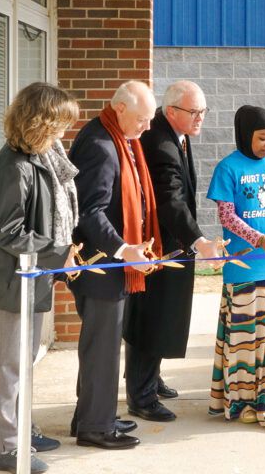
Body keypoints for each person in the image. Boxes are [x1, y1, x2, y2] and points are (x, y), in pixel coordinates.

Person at [0, 82, 79, 474]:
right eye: (61, 122)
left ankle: (22, 430)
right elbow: (8, 231)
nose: (66, 130)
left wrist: (58, 252)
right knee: (9, 365)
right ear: (41, 121)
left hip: (28, 275)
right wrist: (59, 251)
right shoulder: (16, 165)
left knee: (23, 361)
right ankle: (8, 448)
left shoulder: (40, 157)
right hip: (7, 279)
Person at [122, 81, 224, 423]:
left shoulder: (177, 134)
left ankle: (151, 379)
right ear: (171, 111)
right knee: (151, 319)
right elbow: (171, 200)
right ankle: (141, 395)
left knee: (162, 318)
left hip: (169, 246)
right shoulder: (161, 142)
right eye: (193, 112)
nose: (200, 119)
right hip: (159, 248)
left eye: (203, 112)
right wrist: (198, 240)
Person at [67, 80, 159, 450]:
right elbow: (90, 212)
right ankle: (95, 427)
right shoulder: (101, 146)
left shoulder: (113, 136)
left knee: (101, 348)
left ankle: (92, 415)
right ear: (120, 108)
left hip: (108, 267)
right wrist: (124, 249)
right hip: (102, 267)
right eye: (142, 119)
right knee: (102, 350)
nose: (147, 128)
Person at [207, 105, 265, 431]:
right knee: (243, 341)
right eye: (262, 137)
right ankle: (243, 402)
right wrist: (259, 240)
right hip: (242, 269)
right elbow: (227, 216)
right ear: (245, 135)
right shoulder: (227, 168)